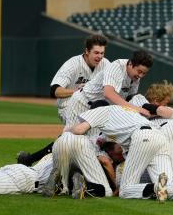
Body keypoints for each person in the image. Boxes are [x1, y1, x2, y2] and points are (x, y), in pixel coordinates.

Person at [17, 34, 109, 166]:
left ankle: (29, 159)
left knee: (96, 135)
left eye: (102, 53)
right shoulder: (72, 64)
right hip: (68, 106)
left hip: (91, 107)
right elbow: (54, 90)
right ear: (87, 51)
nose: (99, 56)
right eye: (96, 52)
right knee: (75, 135)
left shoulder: (105, 64)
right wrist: (77, 91)